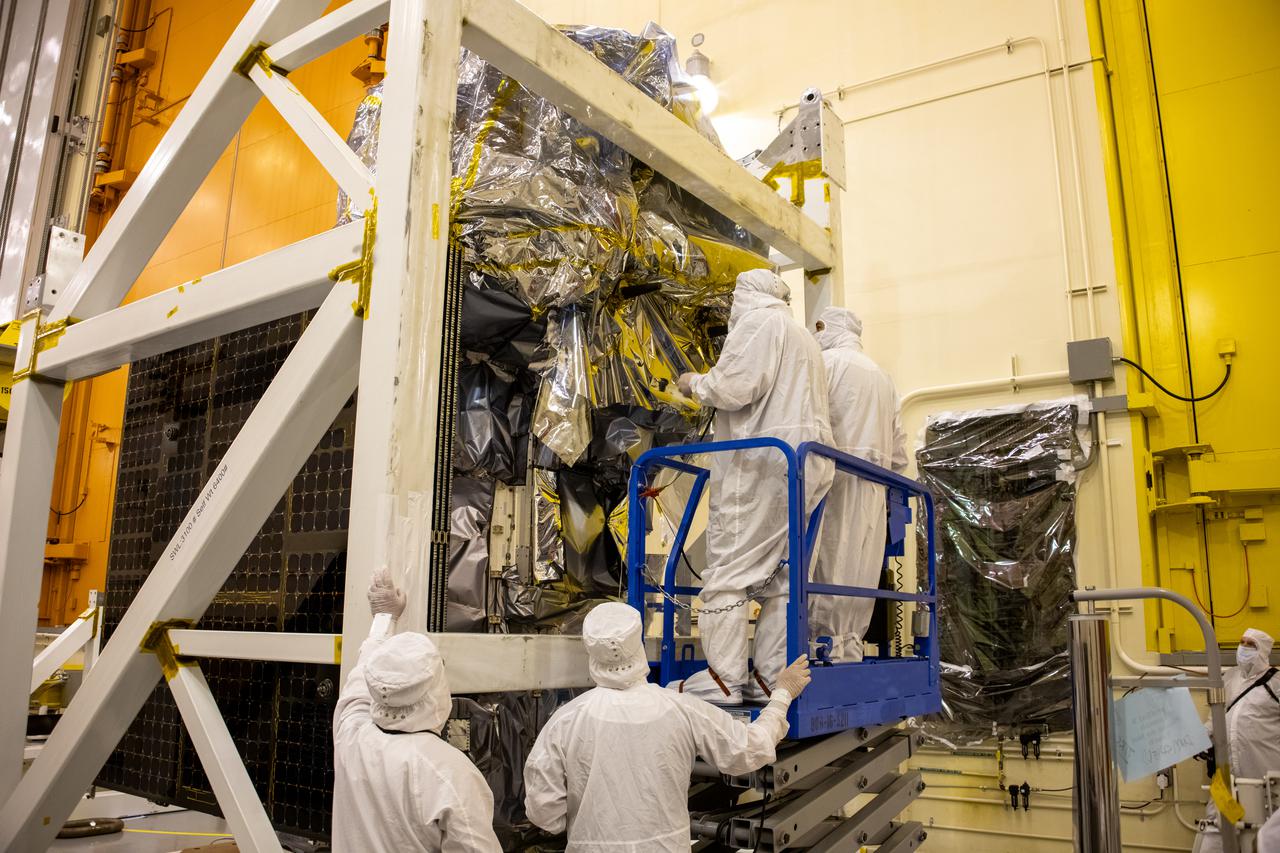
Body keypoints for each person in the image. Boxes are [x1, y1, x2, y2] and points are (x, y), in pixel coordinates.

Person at [524, 602, 812, 851]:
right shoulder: (680, 708)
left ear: (590, 651)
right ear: (637, 644)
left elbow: (544, 813)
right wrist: (782, 693)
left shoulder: (565, 721)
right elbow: (750, 749)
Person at [673, 268, 833, 703]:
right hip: (804, 465)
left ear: (743, 297)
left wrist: (694, 384)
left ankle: (723, 680)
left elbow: (733, 387)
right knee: (782, 575)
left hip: (763, 466)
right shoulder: (802, 336)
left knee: (728, 571)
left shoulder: (758, 322)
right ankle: (768, 680)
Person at [331, 570, 502, 852]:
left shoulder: (351, 735)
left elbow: (362, 677)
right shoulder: (451, 773)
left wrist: (384, 617)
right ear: (436, 687)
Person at [809, 306, 907, 661]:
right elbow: (899, 453)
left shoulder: (826, 365)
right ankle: (848, 649)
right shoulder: (882, 376)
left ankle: (821, 648)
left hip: (832, 483)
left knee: (828, 562)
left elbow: (807, 422)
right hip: (874, 487)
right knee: (860, 570)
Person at [1194, 628, 1279, 853]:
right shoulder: (1229, 678)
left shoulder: (1276, 682)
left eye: (1250, 644)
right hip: (1228, 776)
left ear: (1263, 651)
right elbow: (1216, 717)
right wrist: (1199, 740)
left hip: (1265, 777)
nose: (1243, 648)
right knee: (1216, 827)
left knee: (1264, 834)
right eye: (1241, 642)